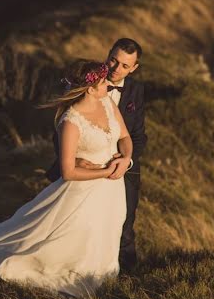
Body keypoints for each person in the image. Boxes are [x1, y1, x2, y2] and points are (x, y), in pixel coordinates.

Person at [0, 60, 133, 297]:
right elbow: (68, 171)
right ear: (89, 88)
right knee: (81, 239)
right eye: (103, 82)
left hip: (113, 188)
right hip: (84, 191)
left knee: (107, 232)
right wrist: (105, 171)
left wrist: (125, 159)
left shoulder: (107, 102)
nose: (108, 85)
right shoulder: (71, 121)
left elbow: (125, 136)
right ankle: (76, 284)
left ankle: (102, 284)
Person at [46, 38, 146, 271]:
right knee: (73, 228)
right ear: (108, 53)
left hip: (122, 171)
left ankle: (128, 278)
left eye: (124, 65)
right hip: (82, 171)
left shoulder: (136, 91)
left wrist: (126, 161)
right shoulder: (80, 85)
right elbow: (60, 131)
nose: (115, 69)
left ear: (134, 68)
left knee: (124, 228)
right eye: (113, 60)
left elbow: (136, 135)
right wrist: (76, 159)